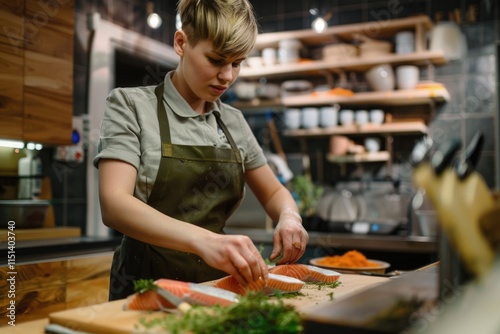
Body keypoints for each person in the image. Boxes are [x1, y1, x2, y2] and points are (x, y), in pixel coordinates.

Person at [94, 0, 308, 301]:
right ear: (182, 43)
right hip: (145, 288)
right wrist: (205, 241)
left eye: (237, 63)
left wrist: (289, 218)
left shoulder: (233, 121)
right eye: (216, 60)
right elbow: (114, 204)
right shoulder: (130, 106)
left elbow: (274, 193)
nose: (227, 76)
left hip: (218, 288)